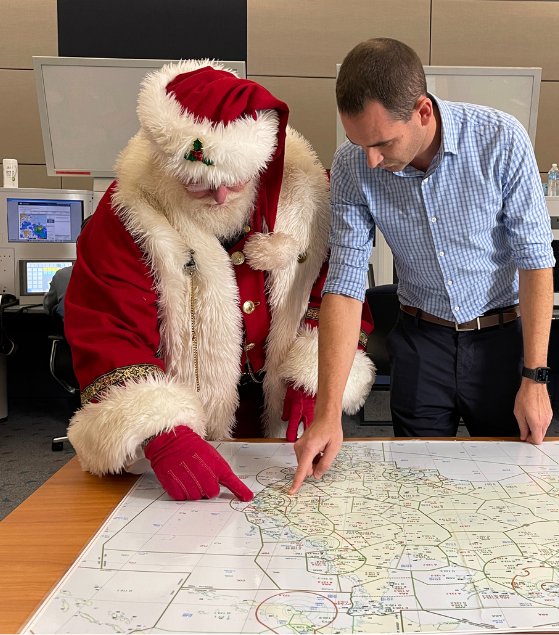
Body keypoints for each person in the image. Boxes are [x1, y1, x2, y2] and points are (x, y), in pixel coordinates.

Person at [63, 61, 377, 503]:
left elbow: (333, 290)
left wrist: (317, 382)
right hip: (182, 427)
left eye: (235, 180)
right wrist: (161, 432)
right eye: (200, 183)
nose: (222, 196)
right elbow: (106, 326)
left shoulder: (308, 196)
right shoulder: (126, 215)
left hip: (283, 423)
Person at [290, 38, 556, 494]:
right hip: (420, 344)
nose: (370, 159)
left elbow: (535, 263)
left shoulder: (500, 139)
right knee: (417, 492)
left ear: (423, 112)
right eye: (359, 142)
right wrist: (328, 412)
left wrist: (535, 377)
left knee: (513, 487)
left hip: (501, 344)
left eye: (382, 142)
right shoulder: (355, 165)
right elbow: (346, 283)